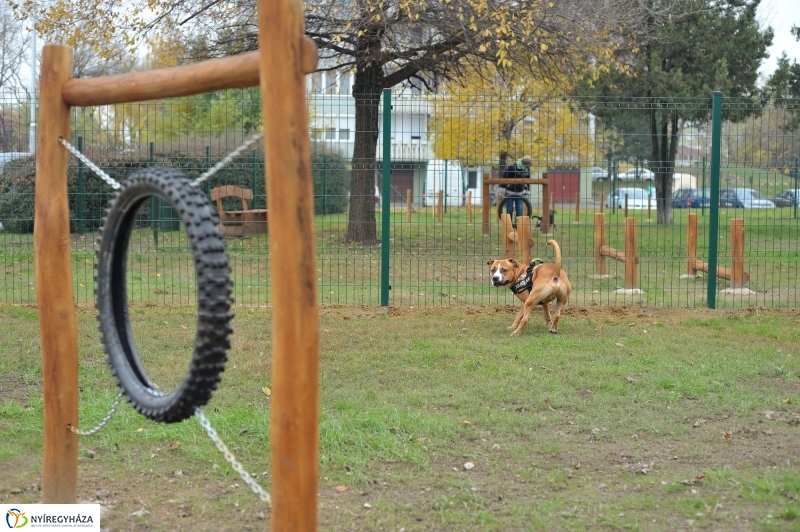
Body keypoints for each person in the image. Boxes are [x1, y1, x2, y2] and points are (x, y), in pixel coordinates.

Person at [500, 155, 532, 225]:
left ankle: (518, 226)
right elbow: (504, 178)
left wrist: (527, 192)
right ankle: (509, 226)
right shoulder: (511, 167)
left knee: (519, 210)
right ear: (524, 164)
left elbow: (528, 181)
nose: (527, 167)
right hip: (509, 192)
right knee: (509, 210)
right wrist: (502, 190)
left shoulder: (527, 169)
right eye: (527, 166)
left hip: (520, 192)